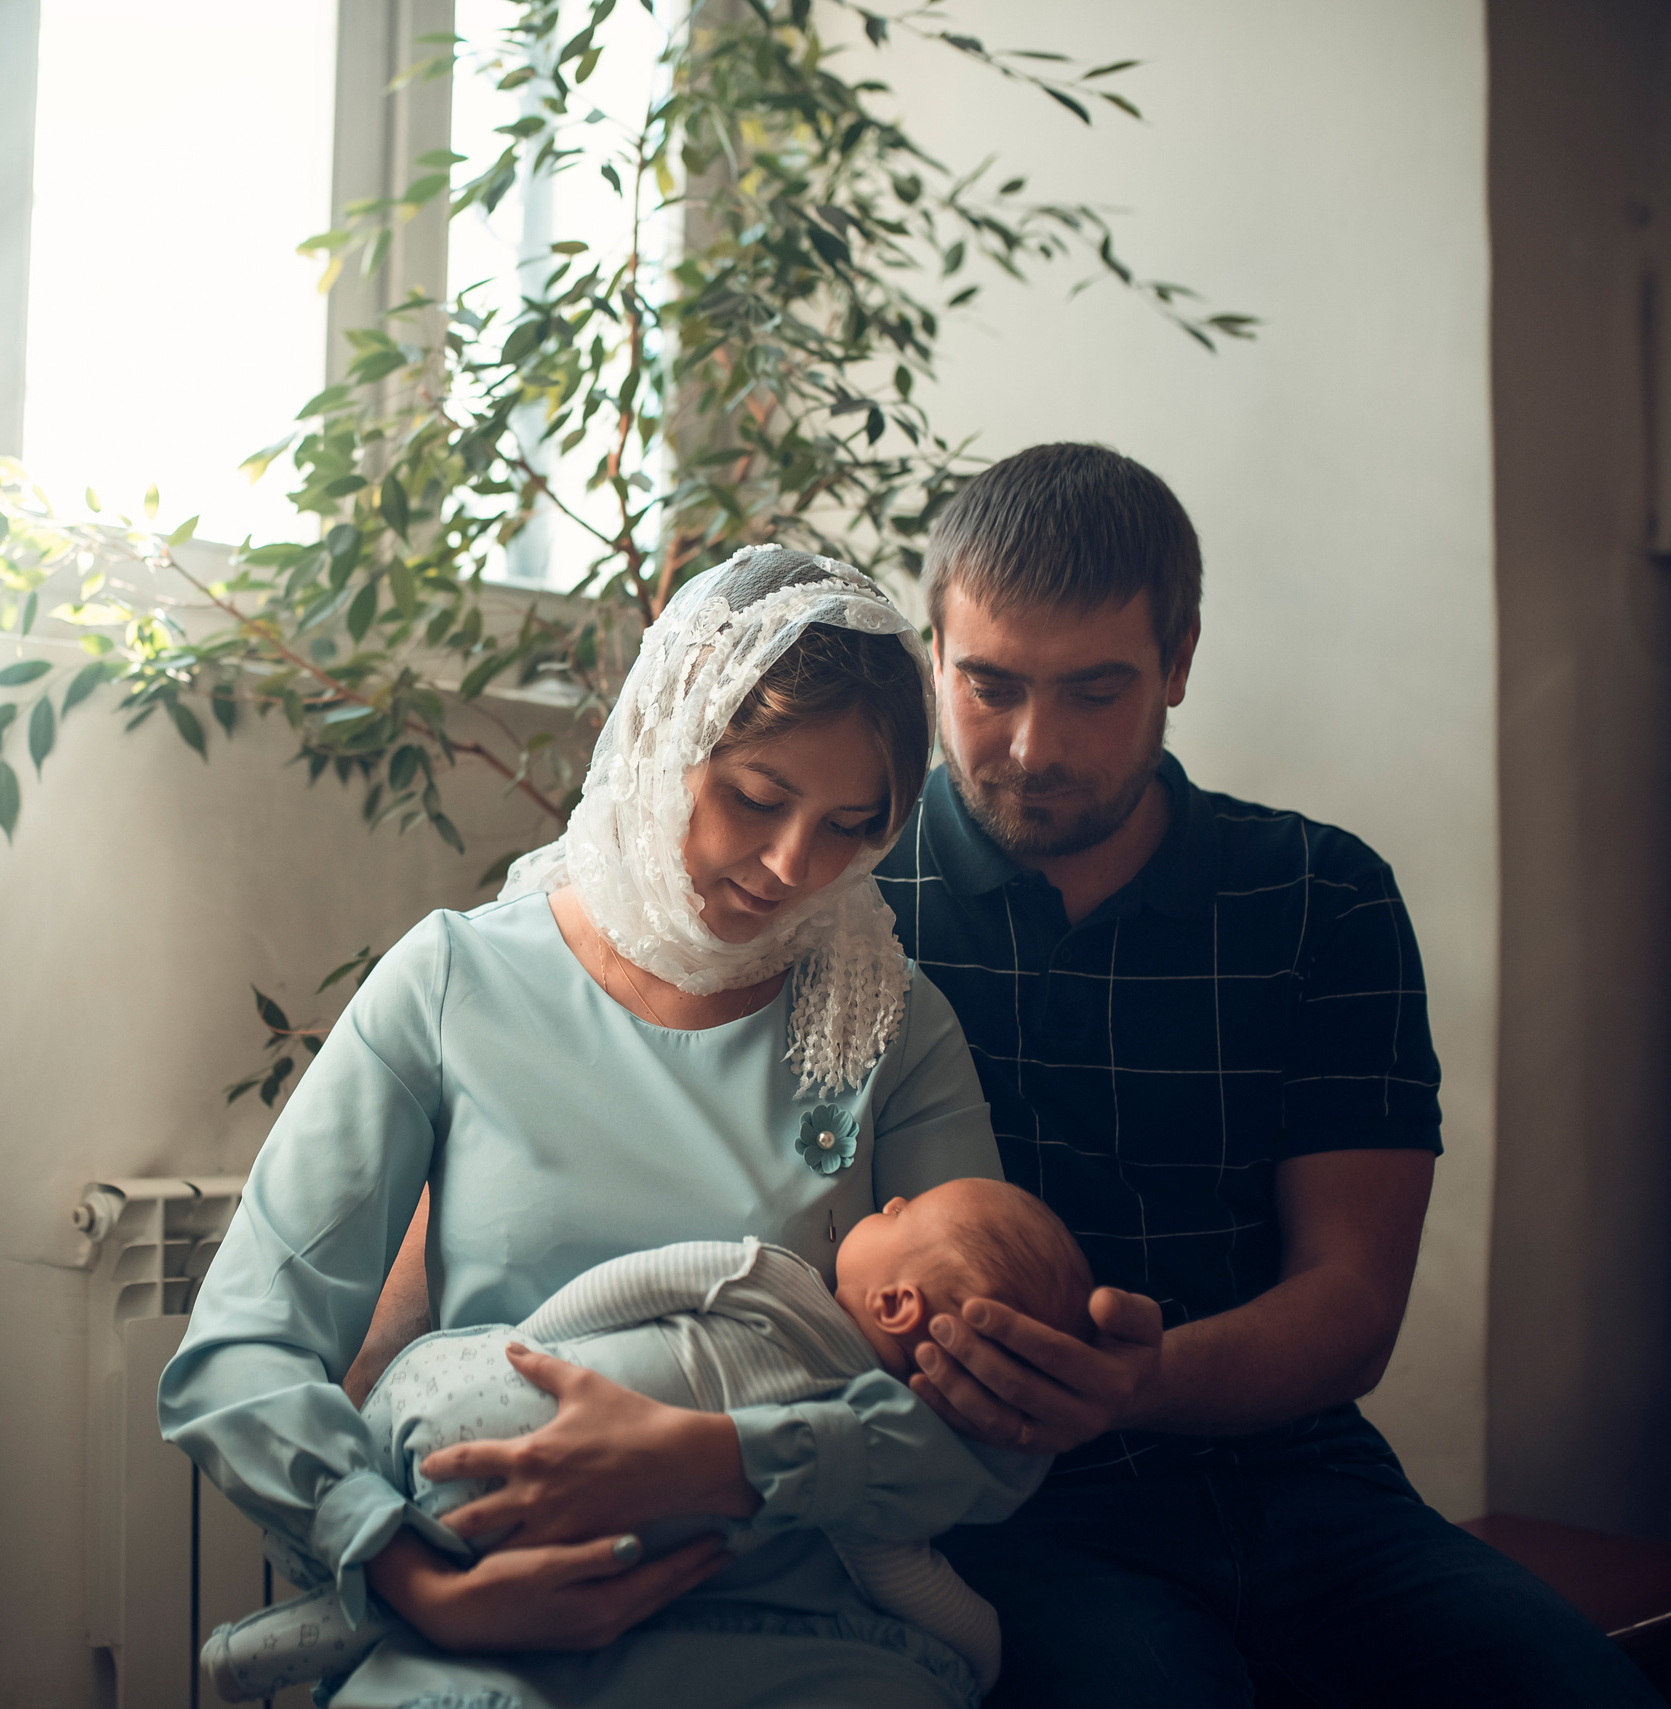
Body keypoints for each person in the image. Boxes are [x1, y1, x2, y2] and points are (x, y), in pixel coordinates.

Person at [161, 550, 1043, 1709]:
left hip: (795, 1630)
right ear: (661, 741)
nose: (793, 866)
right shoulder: (452, 978)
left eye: (847, 824)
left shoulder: (890, 1022)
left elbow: (984, 1429)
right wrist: (414, 1577)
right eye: (756, 797)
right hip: (485, 1614)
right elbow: (240, 1352)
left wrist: (725, 1462)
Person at [871, 442, 1662, 1708]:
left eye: (1094, 691)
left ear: (1179, 662)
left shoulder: (1318, 896)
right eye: (990, 685)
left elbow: (1351, 1297)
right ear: (933, 654)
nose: (1030, 746)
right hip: (1010, 1506)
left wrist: (1143, 1380)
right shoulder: (851, 902)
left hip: (1306, 1482)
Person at [201, 1179, 1095, 1703]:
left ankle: (312, 1615)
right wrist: (982, 1652)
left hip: (479, 1415)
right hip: (543, 1503)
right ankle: (279, 1640)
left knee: (459, 1550)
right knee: (439, 1573)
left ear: (900, 1305)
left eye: (901, 1216)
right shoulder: (860, 1430)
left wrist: (530, 1353)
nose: (890, 1197)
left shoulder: (775, 1281)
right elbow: (912, 1582)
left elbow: (634, 1286)